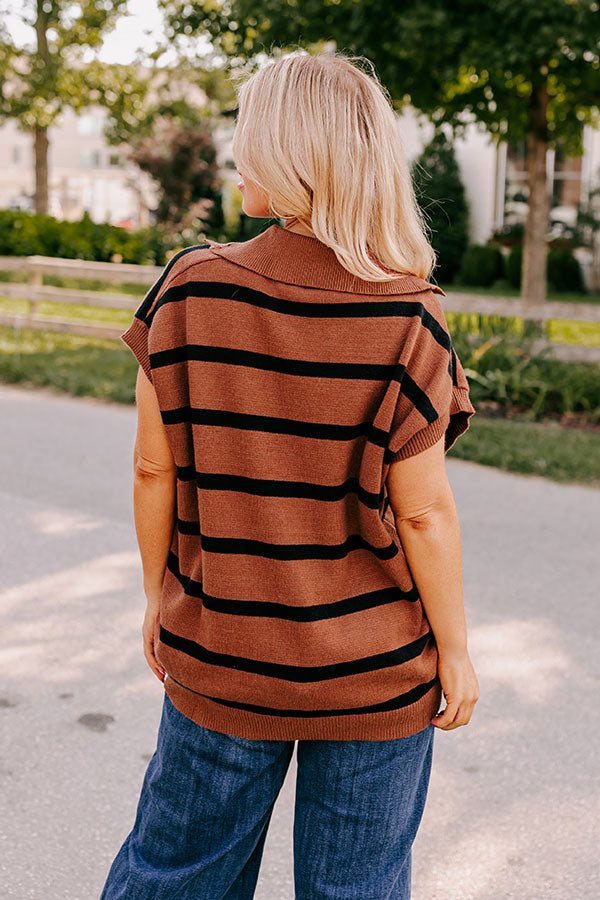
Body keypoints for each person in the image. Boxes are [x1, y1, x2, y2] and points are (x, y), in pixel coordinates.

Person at [100, 51, 479, 900]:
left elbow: (151, 467)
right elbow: (424, 517)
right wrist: (454, 653)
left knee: (176, 877)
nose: (237, 156)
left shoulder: (191, 289)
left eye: (248, 140)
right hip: (377, 672)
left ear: (287, 158)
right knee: (358, 890)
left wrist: (160, 597)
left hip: (222, 651)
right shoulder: (411, 316)